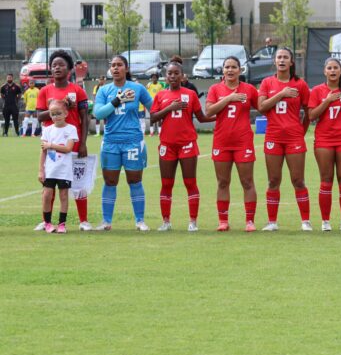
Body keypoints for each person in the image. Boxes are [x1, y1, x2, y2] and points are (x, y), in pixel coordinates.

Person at [150, 57, 213, 232]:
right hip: (167, 145)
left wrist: (219, 117)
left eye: (176, 73)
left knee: (190, 182)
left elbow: (201, 117)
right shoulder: (161, 95)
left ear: (182, 76)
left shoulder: (190, 94)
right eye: (169, 73)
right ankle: (166, 221)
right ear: (165, 76)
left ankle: (193, 221)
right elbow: (153, 117)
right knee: (166, 184)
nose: (173, 76)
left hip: (187, 144)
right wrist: (170, 108)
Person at [93, 55, 153, 231]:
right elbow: (98, 114)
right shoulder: (104, 91)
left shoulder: (137, 89)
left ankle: (140, 220)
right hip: (111, 142)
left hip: (133, 141)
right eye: (113, 65)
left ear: (126, 68)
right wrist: (117, 100)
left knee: (135, 180)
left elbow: (154, 107)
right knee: (110, 181)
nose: (116, 68)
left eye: (119, 65)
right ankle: (106, 221)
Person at [35, 50, 91, 231]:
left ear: (69, 69)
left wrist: (82, 143)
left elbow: (85, 117)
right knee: (50, 183)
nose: (57, 68)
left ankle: (83, 221)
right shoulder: (45, 91)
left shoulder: (78, 90)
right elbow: (39, 116)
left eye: (61, 65)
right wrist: (60, 104)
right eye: (54, 65)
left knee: (78, 184)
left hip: (71, 145)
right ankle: (47, 221)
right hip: (51, 144)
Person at [257, 47, 312, 231]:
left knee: (298, 180)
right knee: (273, 180)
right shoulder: (266, 83)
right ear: (274, 61)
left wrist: (300, 132)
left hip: (294, 138)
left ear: (291, 62)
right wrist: (281, 94)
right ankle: (272, 222)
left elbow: (309, 111)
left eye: (285, 57)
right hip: (273, 137)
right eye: (279, 57)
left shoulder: (300, 84)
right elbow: (262, 107)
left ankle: (305, 221)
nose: (281, 60)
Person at [206, 56, 259, 232]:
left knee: (247, 181)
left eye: (233, 67)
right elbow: (209, 111)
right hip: (221, 142)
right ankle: (223, 221)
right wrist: (229, 98)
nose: (230, 70)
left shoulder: (249, 89)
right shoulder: (215, 89)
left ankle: (250, 221)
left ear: (240, 70)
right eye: (227, 67)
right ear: (222, 70)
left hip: (243, 142)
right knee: (222, 182)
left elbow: (263, 106)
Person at [308, 57, 341, 231]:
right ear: (324, 71)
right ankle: (325, 221)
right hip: (324, 140)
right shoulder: (317, 91)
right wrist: (327, 101)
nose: (333, 71)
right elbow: (312, 116)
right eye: (330, 68)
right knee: (326, 180)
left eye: (336, 68)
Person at [38, 99, 78, 233]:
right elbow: (43, 151)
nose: (55, 116)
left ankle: (62, 224)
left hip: (64, 170)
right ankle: (48, 223)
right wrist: (41, 170)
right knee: (47, 195)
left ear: (66, 113)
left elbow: (68, 149)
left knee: (64, 196)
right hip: (50, 170)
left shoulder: (71, 129)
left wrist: (51, 145)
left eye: (58, 113)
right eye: (52, 114)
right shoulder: (47, 130)